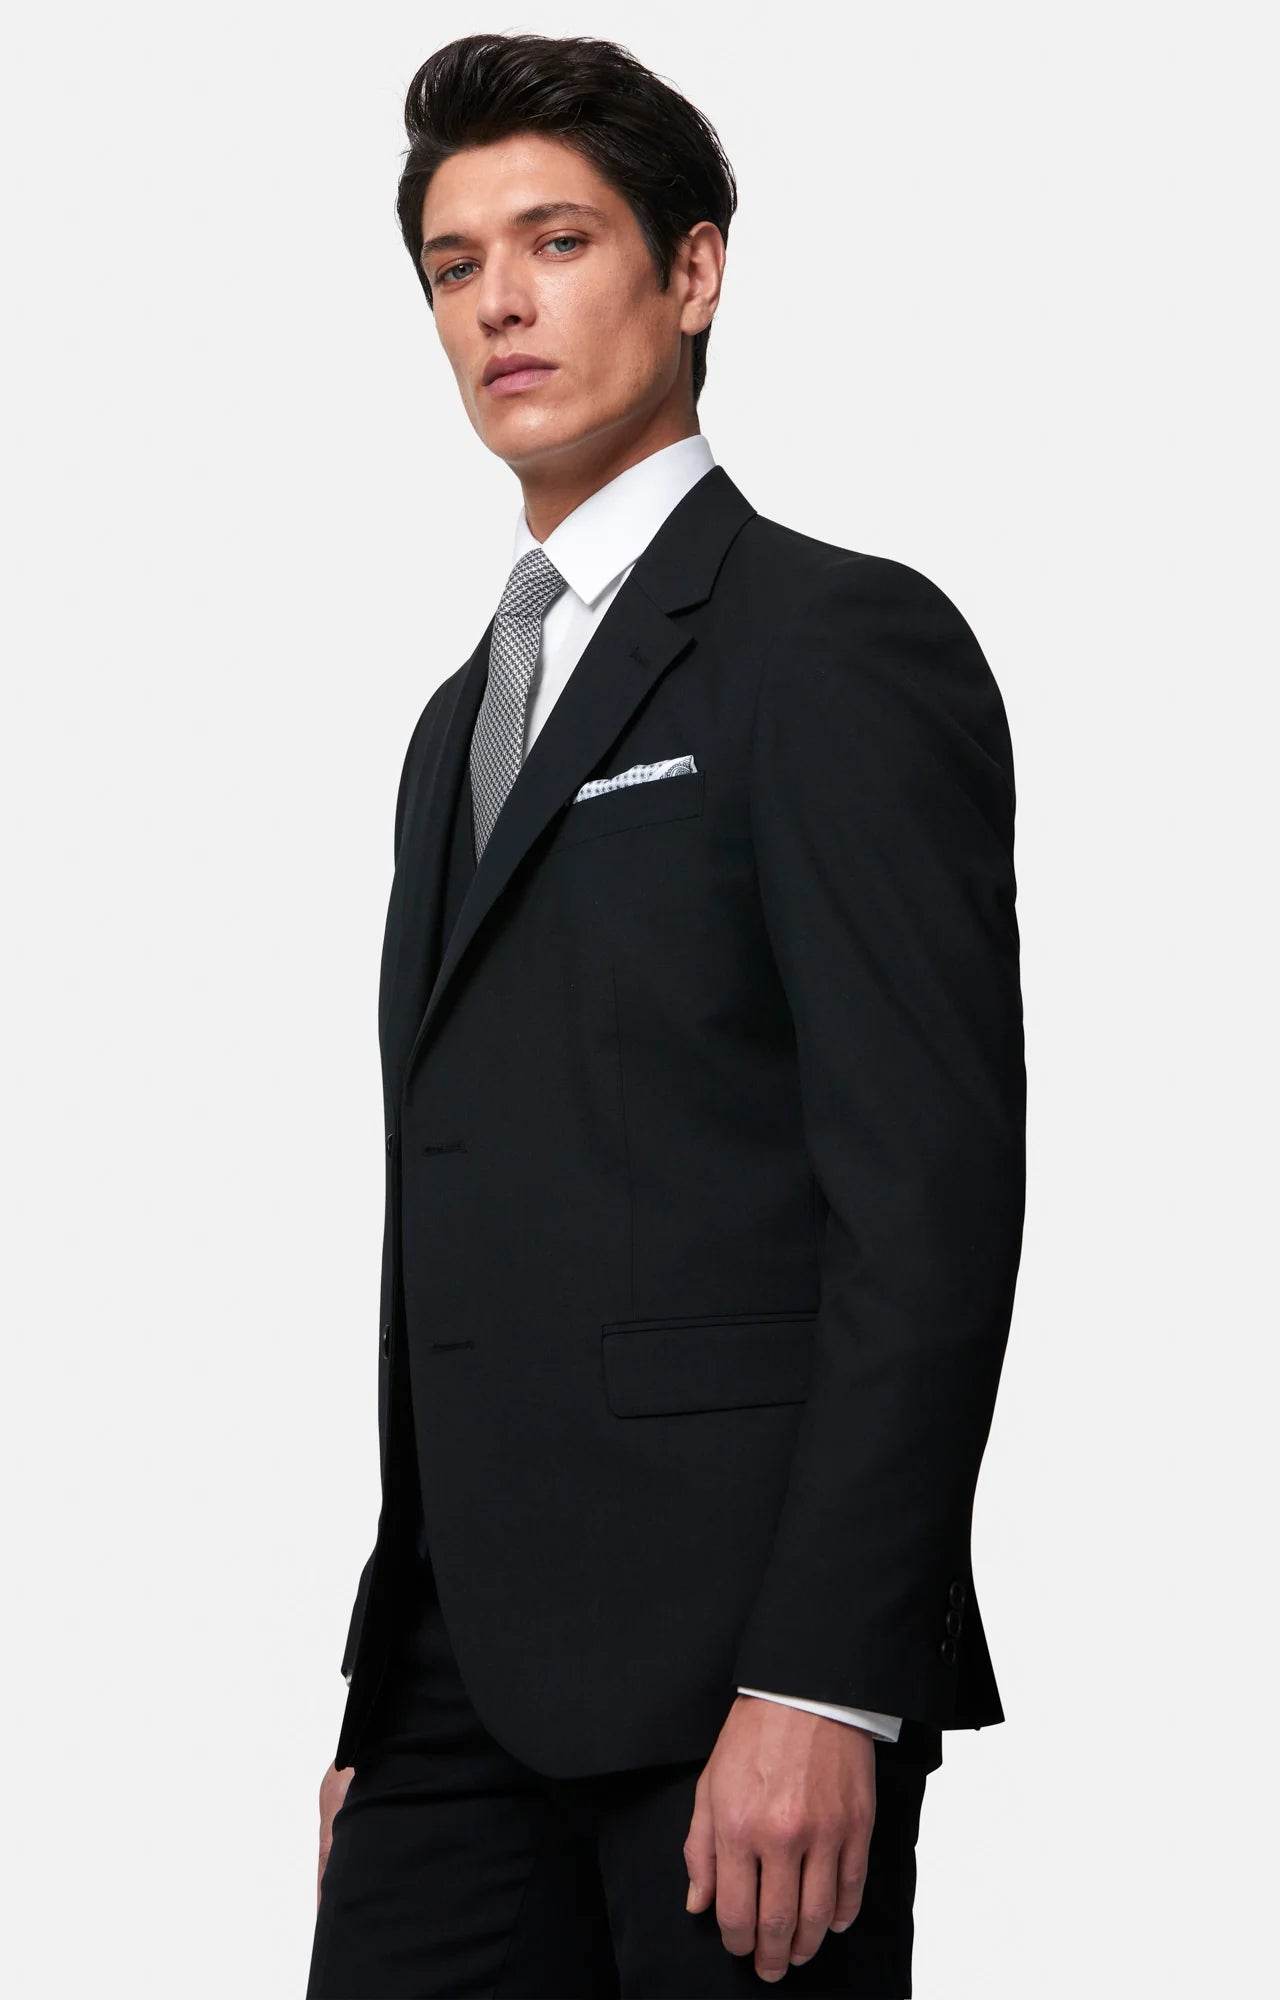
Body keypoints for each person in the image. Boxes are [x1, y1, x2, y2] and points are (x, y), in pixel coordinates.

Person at [305, 30, 1025, 1998]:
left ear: (691, 271)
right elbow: (457, 1214)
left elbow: (927, 1193)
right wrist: (383, 1692)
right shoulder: (458, 721)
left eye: (556, 242)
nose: (500, 304)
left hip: (736, 1684)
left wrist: (826, 1675)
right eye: (455, 265)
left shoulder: (832, 642)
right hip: (458, 1684)